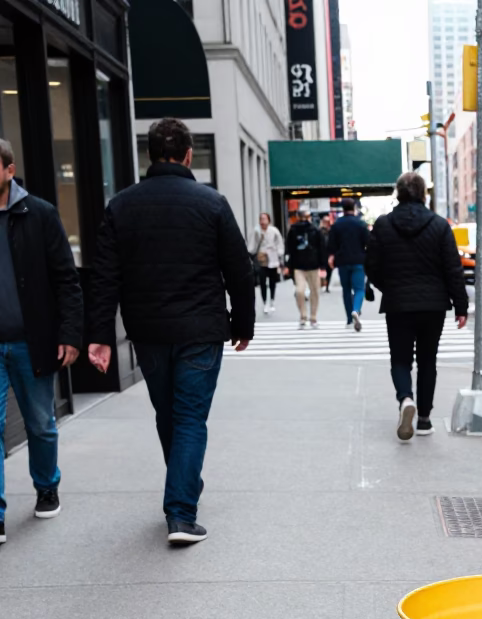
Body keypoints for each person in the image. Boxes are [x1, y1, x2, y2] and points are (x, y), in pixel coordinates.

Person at [88, 117, 254, 545]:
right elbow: (238, 269)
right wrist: (243, 323)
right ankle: (181, 512)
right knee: (189, 419)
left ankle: (183, 488)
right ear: (187, 155)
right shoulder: (211, 203)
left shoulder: (121, 206)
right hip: (200, 328)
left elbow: (105, 276)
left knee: (170, 415)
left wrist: (100, 334)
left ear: (149, 155)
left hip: (148, 331)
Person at [0, 138, 83, 544]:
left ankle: (46, 486)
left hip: (31, 341)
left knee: (40, 424)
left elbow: (67, 279)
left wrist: (70, 334)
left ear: (9, 170)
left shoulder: (41, 215)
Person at [365, 172, 468, 441]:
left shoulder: (384, 224)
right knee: (427, 361)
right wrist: (461, 305)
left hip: (398, 303)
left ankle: (405, 399)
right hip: (433, 306)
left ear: (398, 193)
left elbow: (371, 266)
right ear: (424, 193)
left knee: (400, 359)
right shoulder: (439, 225)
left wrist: (388, 287)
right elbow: (452, 269)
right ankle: (423, 419)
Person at [327, 197, 370, 331]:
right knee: (359, 289)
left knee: (346, 290)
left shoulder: (337, 225)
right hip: (358, 261)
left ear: (343, 209)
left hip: (343, 261)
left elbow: (331, 245)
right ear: (354, 208)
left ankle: (349, 320)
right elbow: (369, 243)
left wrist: (331, 257)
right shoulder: (361, 224)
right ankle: (356, 310)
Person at [284, 204, 326, 328]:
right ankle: (303, 316)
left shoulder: (315, 230)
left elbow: (322, 248)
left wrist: (323, 267)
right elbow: (289, 248)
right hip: (299, 266)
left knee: (315, 292)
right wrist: (288, 265)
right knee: (300, 291)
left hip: (313, 266)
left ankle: (313, 317)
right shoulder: (294, 230)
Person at [251, 211, 285, 314]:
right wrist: (251, 254)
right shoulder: (257, 231)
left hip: (273, 257)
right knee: (262, 281)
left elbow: (279, 242)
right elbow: (253, 245)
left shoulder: (274, 230)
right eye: (261, 219)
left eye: (264, 219)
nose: (263, 221)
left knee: (272, 281)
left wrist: (280, 253)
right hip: (261, 258)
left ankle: (272, 301)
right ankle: (265, 302)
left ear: (269, 220)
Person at [319, 214, 333, 291]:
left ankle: (327, 285)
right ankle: (322, 284)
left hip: (329, 254)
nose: (326, 223)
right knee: (322, 270)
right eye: (325, 221)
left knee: (329, 271)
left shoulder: (331, 231)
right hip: (322, 254)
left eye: (327, 221)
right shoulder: (319, 231)